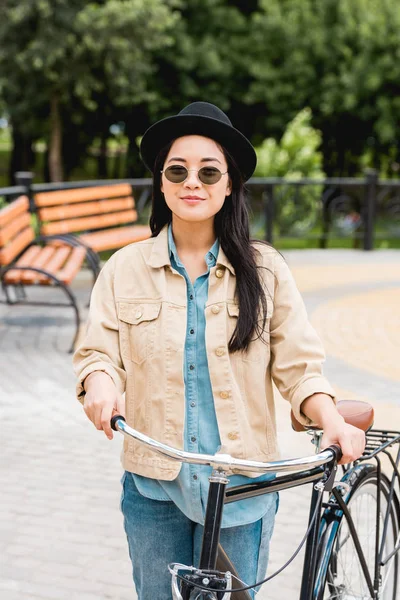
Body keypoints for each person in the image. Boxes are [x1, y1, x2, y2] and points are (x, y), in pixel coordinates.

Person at [73, 101, 366, 600]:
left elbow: (299, 369)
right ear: (161, 183)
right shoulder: (124, 268)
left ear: (229, 184)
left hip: (242, 491)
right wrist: (100, 384)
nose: (193, 182)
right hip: (154, 485)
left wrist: (331, 419)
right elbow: (98, 353)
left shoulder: (266, 270)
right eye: (178, 170)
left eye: (209, 172)